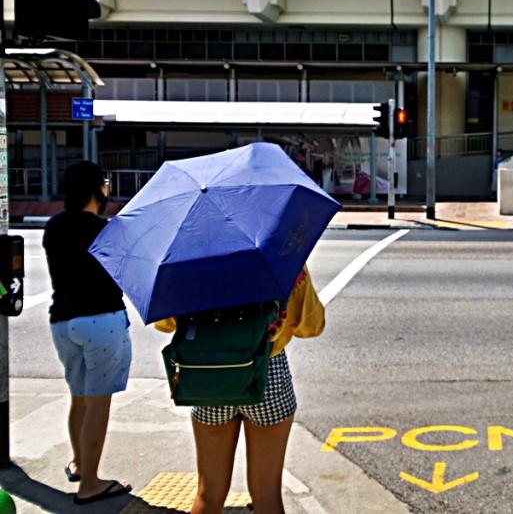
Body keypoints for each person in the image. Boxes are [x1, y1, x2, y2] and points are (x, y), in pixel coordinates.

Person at [156, 265, 325, 514]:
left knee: (208, 493)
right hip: (268, 374)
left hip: (209, 377)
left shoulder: (189, 262)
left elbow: (165, 323)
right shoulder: (282, 260)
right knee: (266, 495)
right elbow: (312, 326)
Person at [42, 161, 133, 505]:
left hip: (63, 323)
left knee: (79, 396)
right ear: (97, 189)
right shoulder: (108, 230)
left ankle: (81, 464)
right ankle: (90, 484)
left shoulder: (53, 227)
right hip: (102, 322)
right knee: (98, 404)